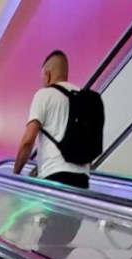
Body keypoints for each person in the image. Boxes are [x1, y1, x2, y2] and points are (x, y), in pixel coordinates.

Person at [14, 50, 90, 188]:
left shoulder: (44, 95)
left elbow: (28, 141)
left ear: (48, 75)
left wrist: (15, 174)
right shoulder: (83, 99)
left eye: (43, 77)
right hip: (82, 180)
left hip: (54, 175)